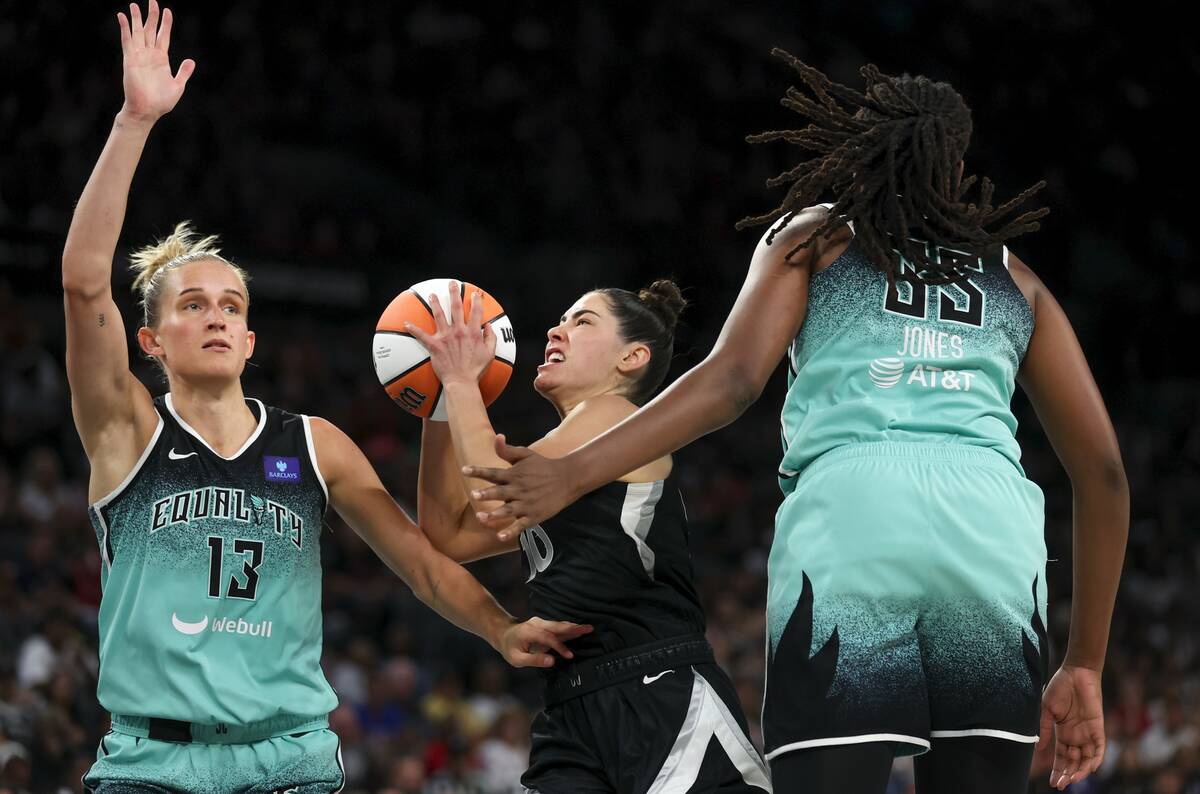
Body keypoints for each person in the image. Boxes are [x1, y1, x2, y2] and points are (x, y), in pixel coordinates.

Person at [459, 52, 1129, 794]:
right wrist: (1087, 663)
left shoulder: (821, 235)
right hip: (994, 529)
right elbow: (1101, 472)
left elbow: (735, 379)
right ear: (959, 165)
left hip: (857, 513)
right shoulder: (1016, 280)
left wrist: (571, 471)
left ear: (858, 152)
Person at [64, 5, 586, 791]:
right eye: (192, 305)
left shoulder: (313, 444)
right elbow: (81, 283)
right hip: (152, 761)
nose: (215, 316)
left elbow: (420, 562)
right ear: (151, 342)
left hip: (290, 759)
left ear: (249, 343)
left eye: (231, 307)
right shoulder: (125, 429)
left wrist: (500, 628)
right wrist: (136, 122)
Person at [411, 282, 771, 793]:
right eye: (562, 319)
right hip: (571, 706)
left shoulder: (618, 416)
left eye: (582, 321)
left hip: (659, 691)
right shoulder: (553, 469)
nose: (556, 330)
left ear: (632, 358)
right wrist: (440, 402)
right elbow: (449, 536)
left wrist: (463, 381)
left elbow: (493, 499)